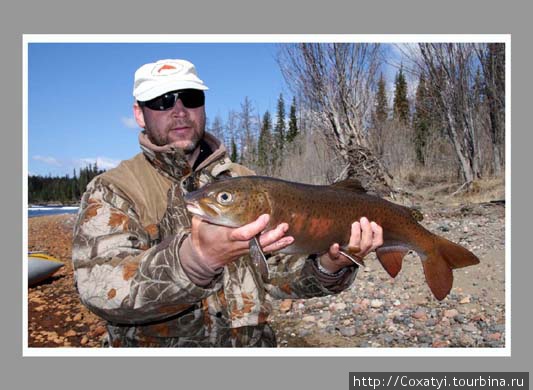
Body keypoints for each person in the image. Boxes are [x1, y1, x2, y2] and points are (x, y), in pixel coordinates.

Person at [72, 59, 383, 347]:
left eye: (191, 97)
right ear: (139, 114)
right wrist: (196, 260)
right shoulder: (114, 189)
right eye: (162, 100)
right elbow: (99, 289)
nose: (179, 110)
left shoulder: (248, 182)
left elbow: (276, 277)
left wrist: (329, 266)